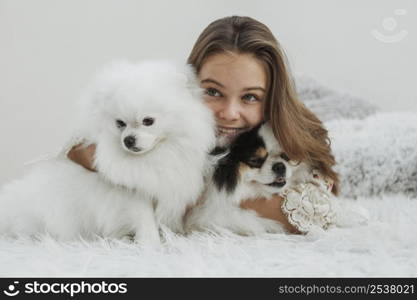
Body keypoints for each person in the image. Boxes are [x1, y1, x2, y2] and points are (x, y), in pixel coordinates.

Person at [67, 16, 339, 234]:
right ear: (190, 87)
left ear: (271, 100)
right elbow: (77, 150)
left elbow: (317, 209)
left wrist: (197, 197)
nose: (230, 113)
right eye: (213, 92)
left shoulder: (284, 137)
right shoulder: (167, 110)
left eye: (250, 97)